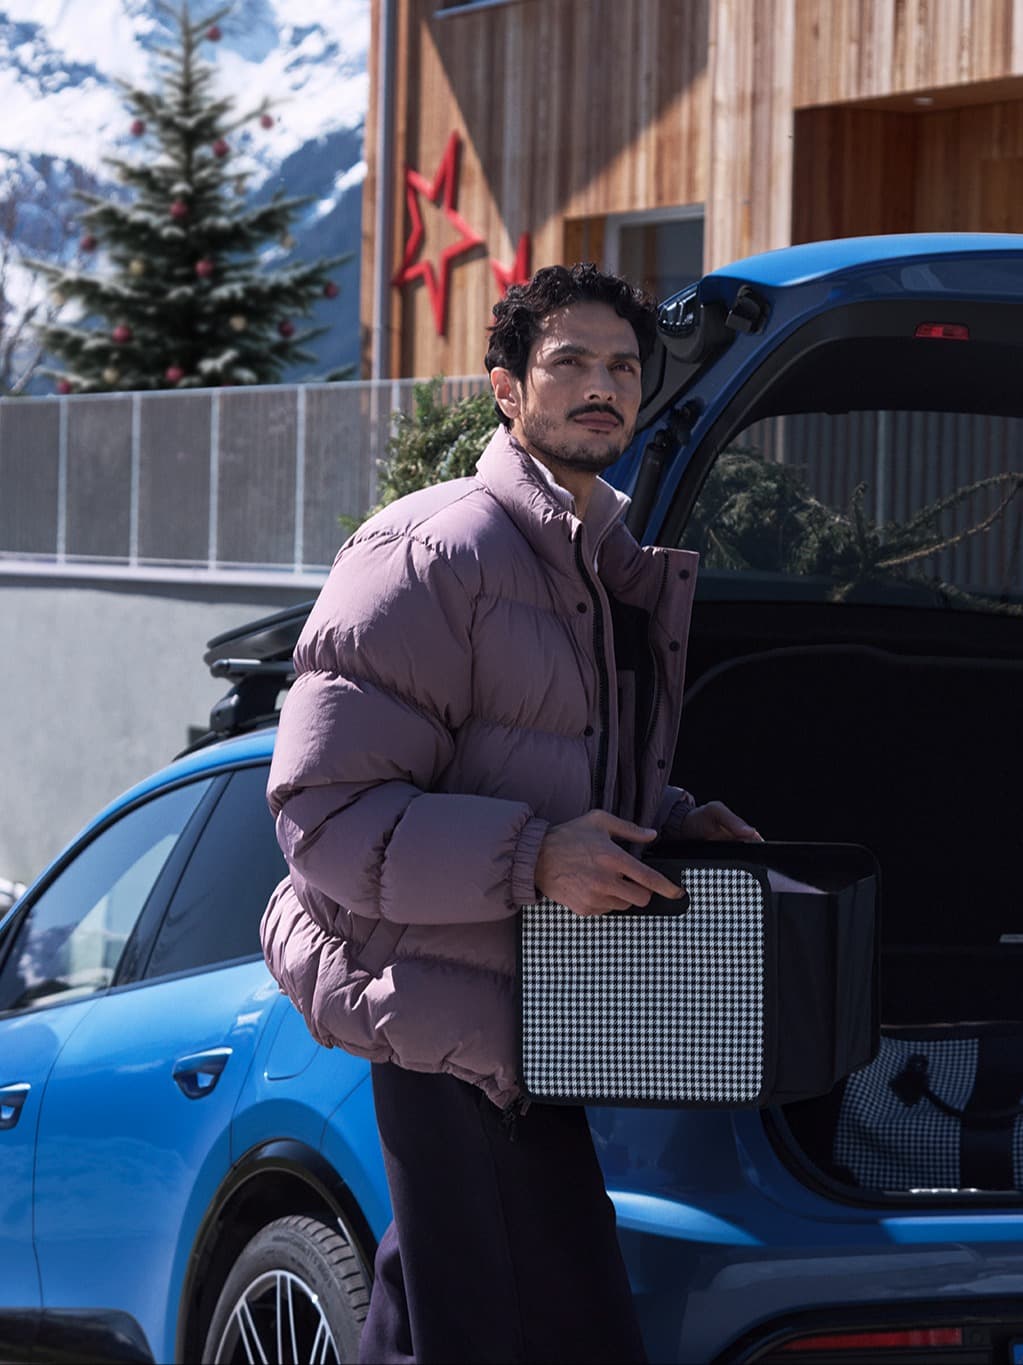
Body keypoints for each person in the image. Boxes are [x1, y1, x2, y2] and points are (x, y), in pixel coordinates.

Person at [260, 263, 762, 1365]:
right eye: (569, 363)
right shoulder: (432, 550)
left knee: (436, 1322)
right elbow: (324, 814)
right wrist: (537, 861)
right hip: (455, 1029)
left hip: (547, 1021)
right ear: (504, 388)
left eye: (623, 367)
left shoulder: (598, 564)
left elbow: (550, 770)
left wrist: (673, 823)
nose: (602, 387)